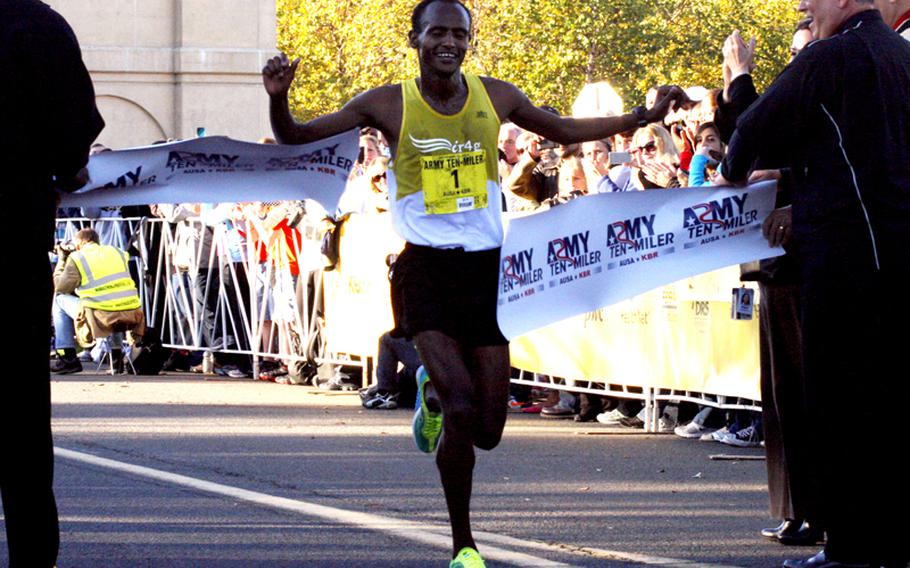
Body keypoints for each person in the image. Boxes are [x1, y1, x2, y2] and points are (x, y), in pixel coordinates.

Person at [263, 1, 685, 565]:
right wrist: (278, 98)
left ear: (469, 41)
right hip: (425, 269)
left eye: (458, 34)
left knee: (488, 428)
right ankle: (464, 543)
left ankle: (430, 394)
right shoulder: (388, 103)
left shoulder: (497, 96)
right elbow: (297, 136)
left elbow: (561, 128)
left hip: (486, 268)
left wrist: (640, 116)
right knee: (463, 411)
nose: (449, 42)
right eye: (437, 32)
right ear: (415, 39)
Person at [716, 1, 910, 566]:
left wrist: (738, 90)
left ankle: (850, 547)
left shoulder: (832, 55)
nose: (801, 4)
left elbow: (751, 136)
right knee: (889, 407)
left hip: (847, 264)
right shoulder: (900, 56)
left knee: (840, 407)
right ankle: (889, 542)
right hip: (895, 261)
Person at [1, 1, 104, 565]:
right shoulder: (36, 23)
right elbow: (73, 139)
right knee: (19, 429)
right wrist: (67, 170)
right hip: (11, 247)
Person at [51, 228, 144, 374]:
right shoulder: (117, 252)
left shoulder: (77, 258)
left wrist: (62, 260)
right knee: (112, 301)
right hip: (132, 313)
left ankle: (66, 357)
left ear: (79, 243)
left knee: (58, 301)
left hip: (100, 317)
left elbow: (60, 287)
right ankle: (116, 358)